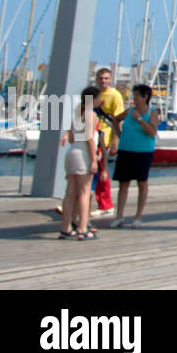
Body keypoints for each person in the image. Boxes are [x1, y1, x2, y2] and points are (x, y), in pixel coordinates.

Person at [110, 84, 158, 228]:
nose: (134, 98)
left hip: (143, 152)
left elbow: (152, 131)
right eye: (134, 95)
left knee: (142, 183)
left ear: (145, 97)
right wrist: (119, 136)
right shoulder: (130, 110)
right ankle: (119, 216)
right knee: (123, 184)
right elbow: (115, 120)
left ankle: (138, 216)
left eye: (137, 95)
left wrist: (139, 119)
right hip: (126, 151)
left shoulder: (152, 112)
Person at [59, 86, 101, 240]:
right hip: (83, 154)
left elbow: (71, 137)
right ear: (94, 99)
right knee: (84, 192)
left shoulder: (78, 113)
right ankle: (83, 228)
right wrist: (94, 159)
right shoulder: (91, 114)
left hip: (72, 152)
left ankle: (66, 227)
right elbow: (89, 137)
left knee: (70, 193)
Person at [90, 67, 124, 219]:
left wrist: (115, 141)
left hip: (105, 137)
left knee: (100, 169)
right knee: (93, 170)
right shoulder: (93, 95)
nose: (103, 81)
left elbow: (118, 120)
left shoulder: (115, 95)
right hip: (92, 134)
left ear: (110, 79)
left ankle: (105, 204)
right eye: (100, 78)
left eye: (106, 78)